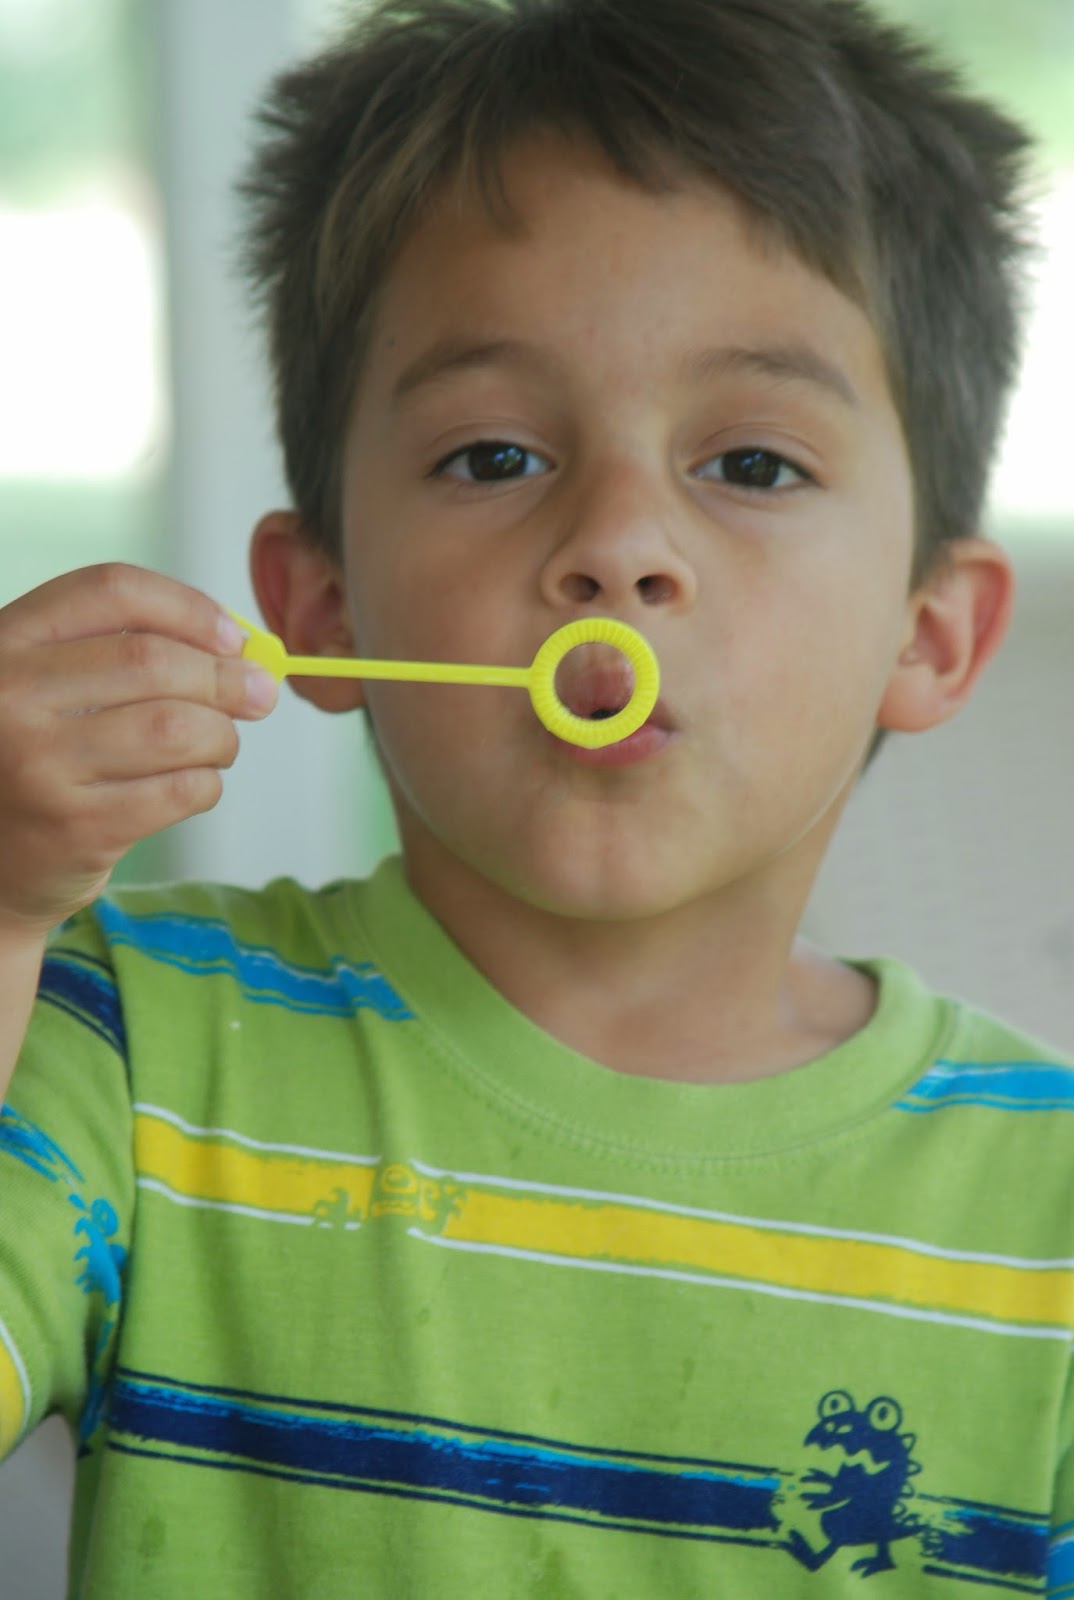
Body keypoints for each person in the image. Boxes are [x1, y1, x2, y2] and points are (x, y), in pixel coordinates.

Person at [0, 0, 1069, 1593]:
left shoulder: (1044, 1215)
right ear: (323, 608)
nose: (616, 545)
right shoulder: (127, 1047)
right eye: (494, 456)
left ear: (926, 636)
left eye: (751, 465)